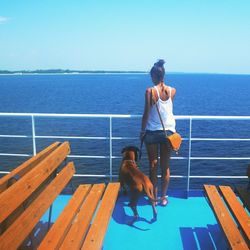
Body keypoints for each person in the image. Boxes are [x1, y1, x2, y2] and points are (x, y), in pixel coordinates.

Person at [140, 59, 176, 206]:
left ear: (154, 76)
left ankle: (153, 198)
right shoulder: (172, 91)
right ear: (164, 75)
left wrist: (142, 131)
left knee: (153, 165)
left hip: (153, 132)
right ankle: (164, 197)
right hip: (169, 132)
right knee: (165, 167)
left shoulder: (150, 91)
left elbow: (146, 114)